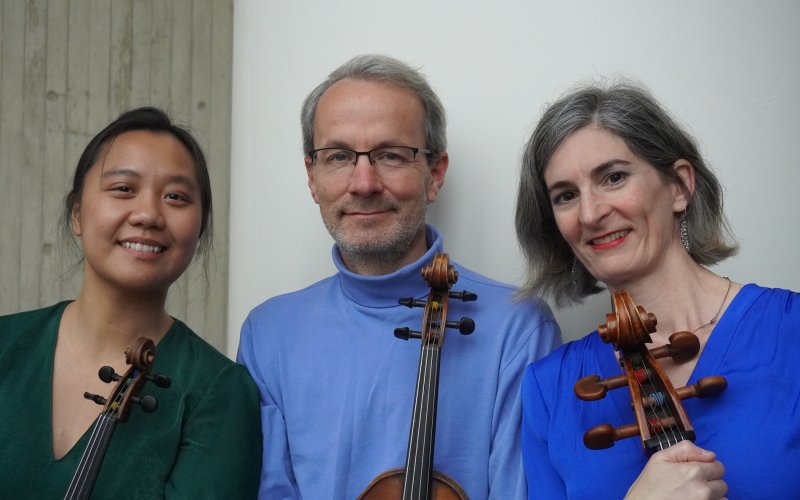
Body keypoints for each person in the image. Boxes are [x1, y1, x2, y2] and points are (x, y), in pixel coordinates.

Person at [237, 54, 561, 499]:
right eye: (338, 157)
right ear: (312, 177)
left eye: (391, 155)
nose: (364, 183)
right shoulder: (268, 333)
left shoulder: (518, 327)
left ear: (434, 173)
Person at [515, 81, 800, 499]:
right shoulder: (549, 388)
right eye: (566, 196)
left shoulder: (791, 332)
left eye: (613, 177)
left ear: (679, 186)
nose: (591, 213)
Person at [0, 107, 261, 498]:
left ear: (200, 227)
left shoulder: (218, 393)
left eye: (176, 196)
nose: (148, 214)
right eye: (123, 188)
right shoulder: (7, 342)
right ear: (77, 213)